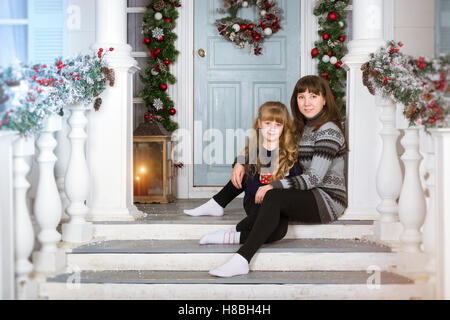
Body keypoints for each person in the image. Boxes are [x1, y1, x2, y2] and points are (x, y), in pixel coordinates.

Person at [207, 75, 349, 277]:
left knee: (272, 195)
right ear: (295, 100)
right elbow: (268, 146)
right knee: (277, 227)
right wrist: (240, 161)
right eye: (301, 97)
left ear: (325, 99)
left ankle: (241, 256)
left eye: (313, 96)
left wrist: (275, 185)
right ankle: (221, 210)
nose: (307, 102)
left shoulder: (329, 131)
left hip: (326, 199)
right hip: (306, 193)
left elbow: (315, 178)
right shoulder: (303, 126)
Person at [184, 101, 302, 246]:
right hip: (255, 201)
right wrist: (239, 163)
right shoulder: (255, 149)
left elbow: (296, 182)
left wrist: (276, 190)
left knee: (279, 231)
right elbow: (250, 183)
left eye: (278, 125)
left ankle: (231, 234)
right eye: (268, 123)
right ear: (259, 123)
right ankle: (216, 205)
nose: (272, 129)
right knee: (264, 212)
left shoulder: (289, 152)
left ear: (284, 127)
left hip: (279, 202)